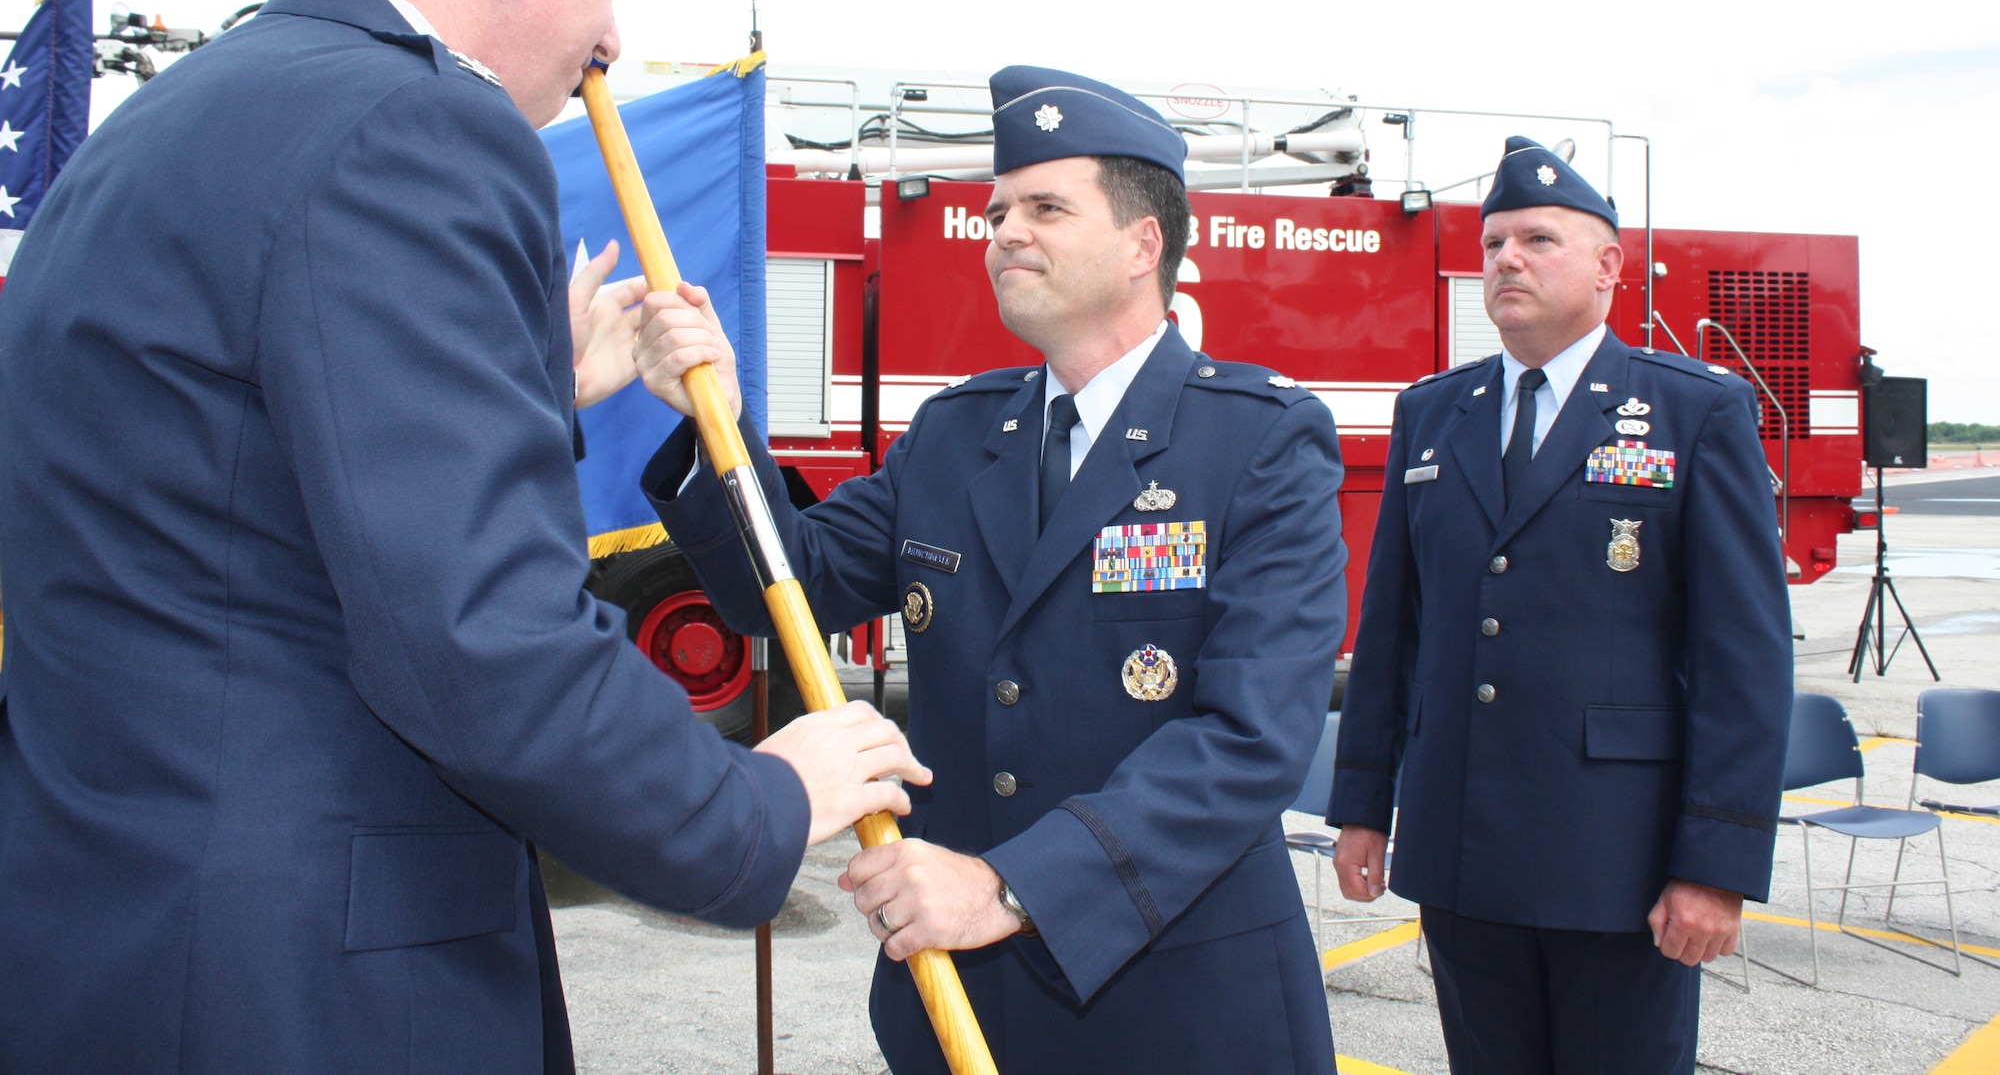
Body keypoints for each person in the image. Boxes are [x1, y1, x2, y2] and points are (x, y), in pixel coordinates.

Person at [0, 0, 926, 1070]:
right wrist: (762, 799)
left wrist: (531, 395)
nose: (612, 38)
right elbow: (476, 633)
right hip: (299, 983)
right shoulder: (412, 127)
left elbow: (248, 527)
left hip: (123, 932)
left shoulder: (177, 119)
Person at [637, 65, 1349, 1074]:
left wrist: (1010, 886)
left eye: (1046, 207)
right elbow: (784, 587)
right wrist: (710, 420)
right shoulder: (956, 434)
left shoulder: (1260, 441)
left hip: (1175, 1006)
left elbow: (1247, 737)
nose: (1003, 231)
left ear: (1143, 244)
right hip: (963, 1011)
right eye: (996, 209)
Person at [1327, 137, 1793, 1074]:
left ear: (1609, 267)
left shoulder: (1693, 410)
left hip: (1616, 855)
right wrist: (1364, 805)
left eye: (1537, 240)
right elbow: (1392, 632)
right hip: (1463, 848)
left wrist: (1715, 865)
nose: (1504, 259)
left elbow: (1744, 656)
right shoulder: (1434, 411)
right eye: (1493, 243)